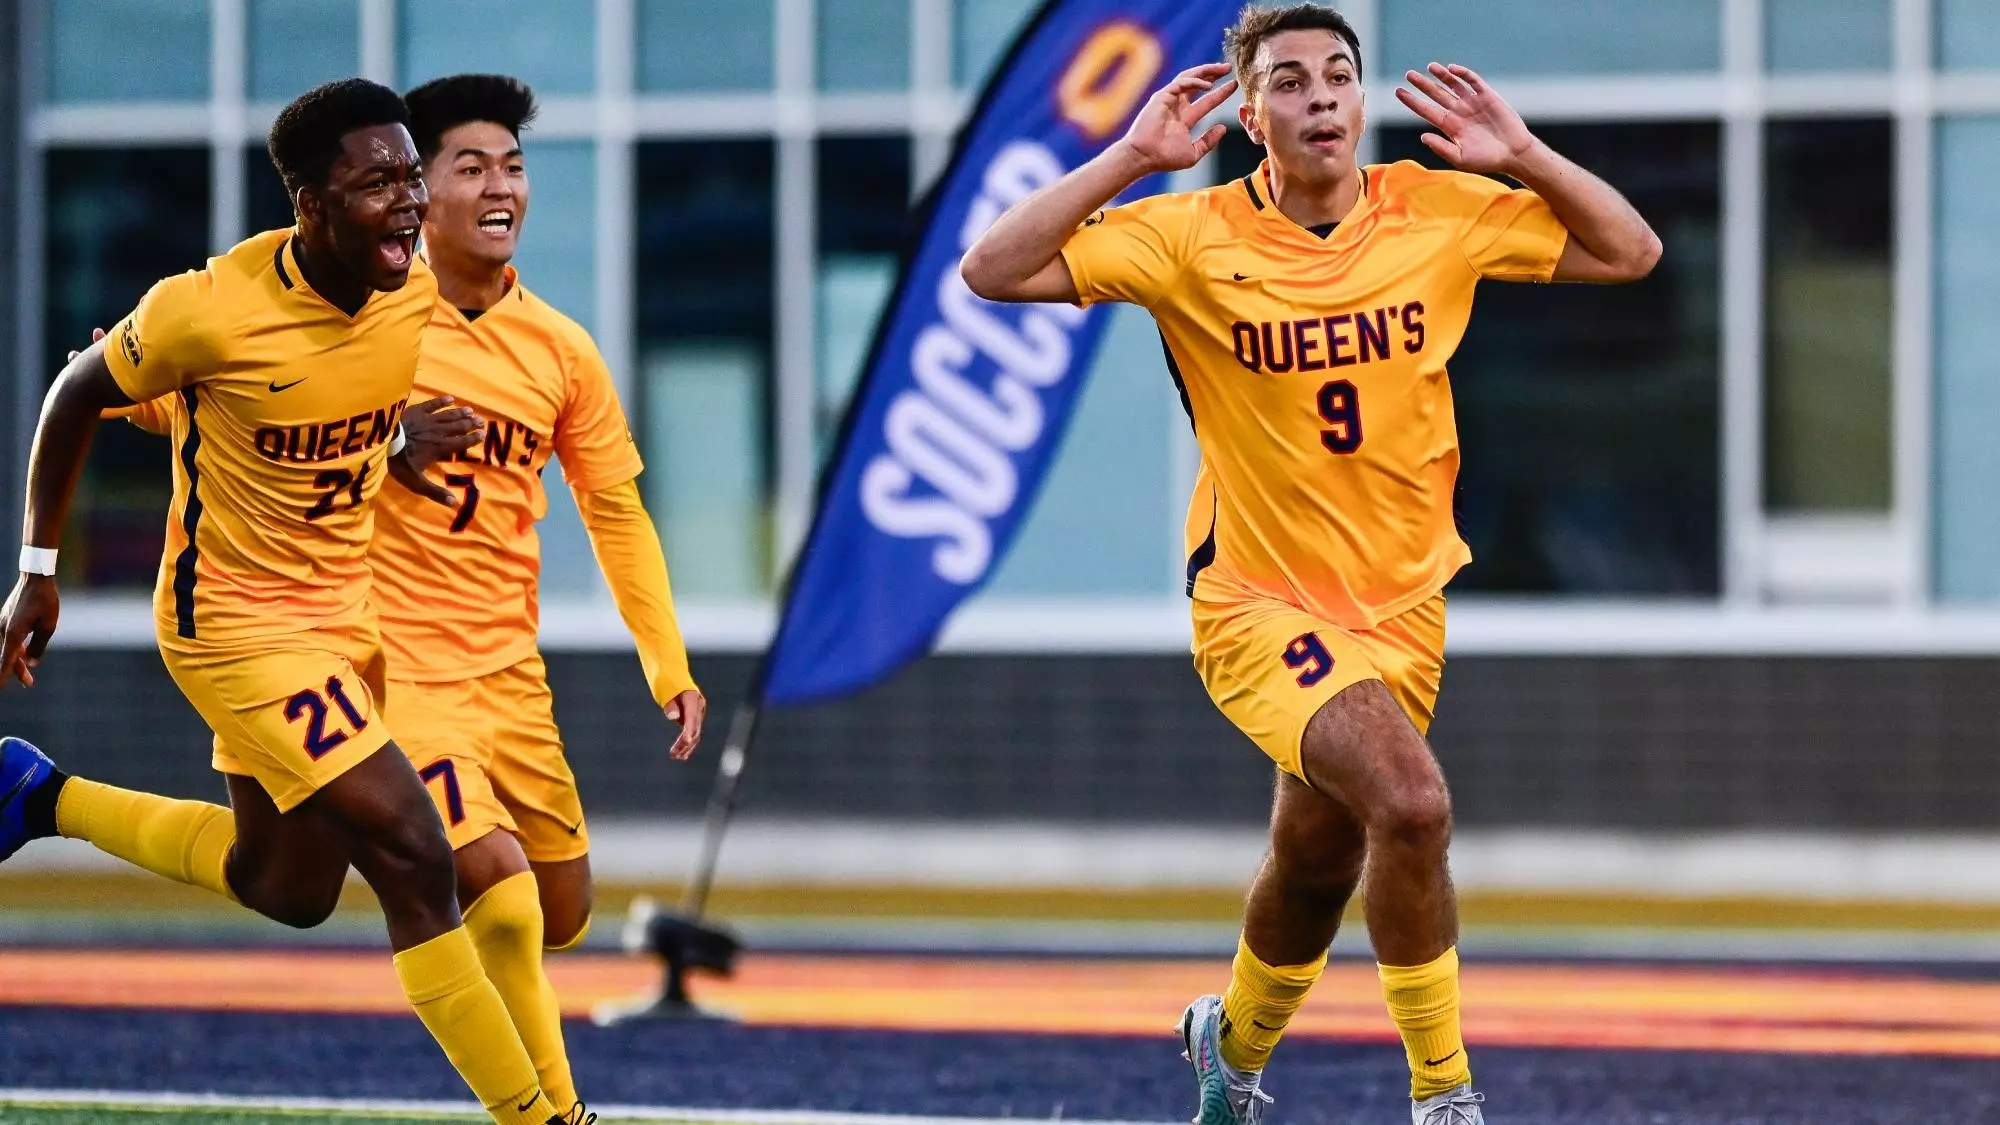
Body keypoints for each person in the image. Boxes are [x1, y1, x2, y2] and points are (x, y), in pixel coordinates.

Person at [959, 5, 1660, 1123]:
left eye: (1338, 76)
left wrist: (1522, 153)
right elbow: (991, 269)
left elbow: (1630, 251)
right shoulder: (1188, 234)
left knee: (1315, 860)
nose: (1321, 97)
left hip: (1401, 603)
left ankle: (1226, 1053)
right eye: (1288, 81)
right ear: (1248, 115)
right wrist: (1133, 157)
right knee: (1414, 805)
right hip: (1254, 599)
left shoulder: (1433, 212)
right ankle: (1443, 1096)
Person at [0, 78, 585, 1125]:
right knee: (416, 850)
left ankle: (38, 797)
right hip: (231, 628)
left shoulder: (408, 290)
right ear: (308, 204)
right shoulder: (209, 309)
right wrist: (38, 569)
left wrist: (398, 446)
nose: (406, 204)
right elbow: (78, 392)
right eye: (376, 186)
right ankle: (544, 1120)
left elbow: (341, 397)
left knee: (288, 888)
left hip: (342, 621)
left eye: (411, 176)